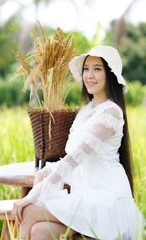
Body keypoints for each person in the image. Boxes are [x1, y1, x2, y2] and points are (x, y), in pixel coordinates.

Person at [12, 46, 145, 240]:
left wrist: (31, 197)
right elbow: (69, 158)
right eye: (86, 69)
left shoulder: (111, 113)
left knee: (27, 212)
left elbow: (75, 159)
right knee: (39, 231)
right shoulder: (85, 112)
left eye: (97, 69)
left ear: (110, 74)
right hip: (84, 197)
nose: (89, 75)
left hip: (104, 201)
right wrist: (44, 173)